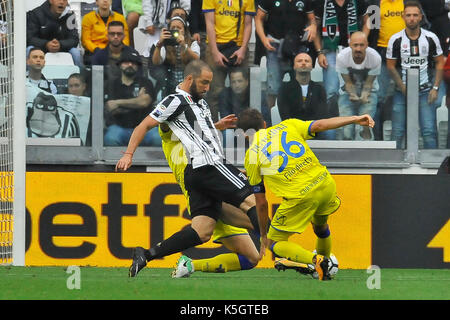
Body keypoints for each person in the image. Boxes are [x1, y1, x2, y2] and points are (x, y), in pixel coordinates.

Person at [115, 59, 260, 278]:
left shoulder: (200, 103)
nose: (207, 88)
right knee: (254, 203)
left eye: (210, 83)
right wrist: (128, 154)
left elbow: (197, 133)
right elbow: (144, 125)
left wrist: (216, 127)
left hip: (197, 173)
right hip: (208, 164)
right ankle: (282, 250)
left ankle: (146, 254)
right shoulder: (174, 100)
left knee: (201, 232)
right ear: (190, 78)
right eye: (203, 82)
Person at [237, 108, 375, 280]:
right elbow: (320, 124)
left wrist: (264, 234)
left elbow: (261, 202)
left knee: (274, 243)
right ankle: (323, 271)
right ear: (265, 124)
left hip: (301, 196)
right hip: (325, 183)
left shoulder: (252, 155)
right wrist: (354, 118)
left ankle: (315, 260)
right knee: (320, 227)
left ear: (243, 135)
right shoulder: (288, 125)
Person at [158, 118, 259, 278]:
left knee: (251, 258)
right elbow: (164, 123)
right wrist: (165, 111)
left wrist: (217, 127)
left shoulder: (197, 143)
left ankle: (188, 264)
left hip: (214, 193)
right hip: (205, 197)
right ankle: (298, 258)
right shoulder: (170, 137)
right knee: (261, 223)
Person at [386, 0, 445, 149]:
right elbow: (390, 66)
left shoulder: (431, 38)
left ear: (420, 17)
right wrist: (402, 86)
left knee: (429, 131)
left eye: (415, 15)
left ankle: (433, 169)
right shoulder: (395, 39)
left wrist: (435, 88)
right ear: (403, 17)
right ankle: (394, 168)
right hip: (402, 92)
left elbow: (439, 62)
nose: (411, 18)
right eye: (408, 15)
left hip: (425, 91)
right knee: (398, 131)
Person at [313, 0, 371, 129]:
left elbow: (367, 21)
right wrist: (319, 52)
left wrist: (362, 41)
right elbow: (315, 27)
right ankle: (330, 129)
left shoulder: (358, 2)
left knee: (354, 91)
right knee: (331, 91)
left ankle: (350, 129)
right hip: (330, 50)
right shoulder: (322, 2)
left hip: (352, 51)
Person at [254, 0, 318, 112]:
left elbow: (312, 19)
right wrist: (263, 39)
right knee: (273, 87)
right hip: (275, 45)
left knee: (300, 84)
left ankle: (299, 116)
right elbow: (258, 18)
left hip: (298, 46)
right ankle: (271, 121)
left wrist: (313, 27)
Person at [202, 0, 255, 122]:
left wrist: (243, 48)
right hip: (216, 46)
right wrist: (214, 51)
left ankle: (243, 129)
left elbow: (248, 24)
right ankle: (215, 129)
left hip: (238, 48)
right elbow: (209, 23)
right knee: (214, 92)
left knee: (241, 90)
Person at [365, 0, 406, 140]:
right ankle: (376, 139)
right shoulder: (376, 3)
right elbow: (371, 28)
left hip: (405, 54)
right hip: (382, 52)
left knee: (405, 95)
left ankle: (402, 142)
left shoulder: (406, 2)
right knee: (378, 98)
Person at [104, 51, 160, 146]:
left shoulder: (146, 82)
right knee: (110, 138)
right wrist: (136, 102)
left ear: (137, 66)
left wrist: (118, 102)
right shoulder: (111, 84)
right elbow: (111, 108)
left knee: (158, 137)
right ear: (120, 65)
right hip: (120, 127)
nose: (130, 64)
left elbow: (144, 102)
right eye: (126, 62)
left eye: (133, 63)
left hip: (145, 129)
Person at [336, 31, 381, 140]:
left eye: (361, 45)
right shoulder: (342, 57)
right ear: (350, 44)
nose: (358, 49)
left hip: (370, 91)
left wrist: (364, 95)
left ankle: (367, 153)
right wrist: (353, 94)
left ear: (367, 45)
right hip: (347, 91)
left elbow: (369, 83)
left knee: (364, 126)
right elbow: (348, 82)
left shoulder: (375, 57)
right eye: (355, 45)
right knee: (346, 129)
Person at [277, 52, 333, 140]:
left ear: (312, 66)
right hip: (292, 131)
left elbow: (322, 115)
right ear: (294, 66)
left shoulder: (319, 89)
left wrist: (308, 129)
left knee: (330, 132)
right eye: (299, 61)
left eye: (307, 61)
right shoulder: (285, 89)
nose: (303, 63)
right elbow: (285, 115)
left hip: (315, 132)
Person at [152, 16, 200, 96]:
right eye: (173, 27)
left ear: (184, 30)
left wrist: (184, 45)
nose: (176, 30)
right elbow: (156, 62)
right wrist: (159, 45)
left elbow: (196, 59)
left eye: (179, 28)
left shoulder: (192, 42)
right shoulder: (165, 43)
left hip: (188, 84)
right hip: (169, 85)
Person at [26, 0, 82, 67]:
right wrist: (46, 44)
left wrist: (60, 44)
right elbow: (30, 38)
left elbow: (74, 39)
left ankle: (78, 76)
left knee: (76, 52)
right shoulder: (36, 14)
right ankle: (28, 76)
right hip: (41, 48)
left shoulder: (70, 15)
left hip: (62, 48)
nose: (62, 2)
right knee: (29, 49)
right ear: (51, 1)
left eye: (64, 0)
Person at [81, 0, 130, 65]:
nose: (105, 1)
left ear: (111, 2)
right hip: (95, 52)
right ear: (96, 2)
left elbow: (125, 39)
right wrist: (97, 50)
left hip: (116, 50)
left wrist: (118, 49)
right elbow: (85, 40)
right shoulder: (88, 18)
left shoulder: (120, 18)